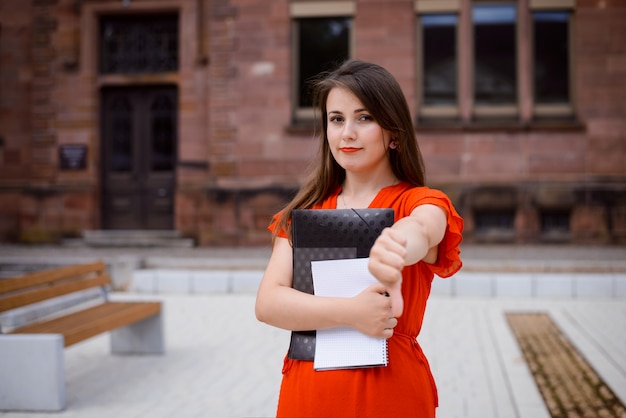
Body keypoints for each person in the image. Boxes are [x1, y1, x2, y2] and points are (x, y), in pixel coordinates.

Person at [255, 59, 463, 417]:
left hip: (389, 395)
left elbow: (423, 228)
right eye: (336, 119)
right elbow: (268, 303)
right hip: (308, 394)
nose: (347, 133)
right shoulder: (304, 213)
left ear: (393, 132)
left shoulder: (417, 202)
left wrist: (396, 244)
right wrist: (351, 312)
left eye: (364, 118)